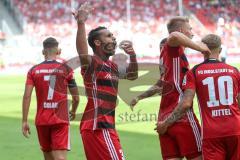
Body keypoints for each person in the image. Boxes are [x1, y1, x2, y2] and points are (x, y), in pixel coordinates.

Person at [130, 16, 211, 160]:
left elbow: (161, 83)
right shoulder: (173, 48)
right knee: (198, 157)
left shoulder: (167, 59)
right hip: (180, 114)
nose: (192, 32)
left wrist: (139, 96)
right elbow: (173, 36)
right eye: (190, 29)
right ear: (182, 31)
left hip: (163, 117)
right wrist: (201, 49)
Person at [156, 34, 240, 160]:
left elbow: (186, 103)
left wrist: (166, 123)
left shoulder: (195, 72)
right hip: (235, 130)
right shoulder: (234, 71)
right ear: (220, 50)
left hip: (212, 134)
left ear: (202, 49)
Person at [73, 2, 138, 160]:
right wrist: (81, 22)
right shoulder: (92, 63)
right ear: (97, 43)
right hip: (98, 127)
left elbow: (132, 76)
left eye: (113, 36)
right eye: (109, 36)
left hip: (103, 127)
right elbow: (82, 53)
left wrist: (133, 55)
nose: (114, 39)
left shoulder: (112, 66)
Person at [22, 37, 79, 160]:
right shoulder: (66, 69)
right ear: (58, 51)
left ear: (43, 52)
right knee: (60, 158)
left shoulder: (33, 70)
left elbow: (27, 96)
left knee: (48, 157)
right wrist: (73, 110)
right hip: (60, 120)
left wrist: (24, 120)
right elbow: (76, 97)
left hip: (42, 120)